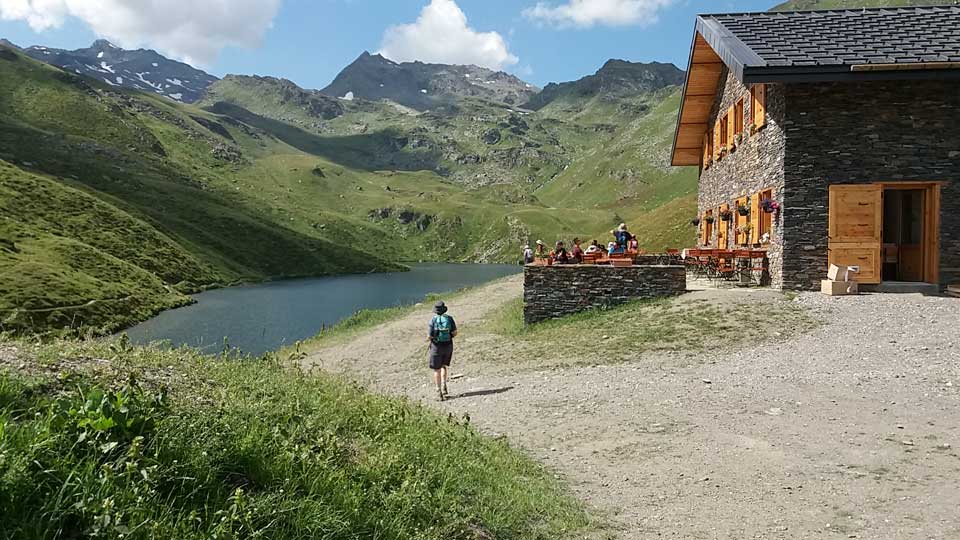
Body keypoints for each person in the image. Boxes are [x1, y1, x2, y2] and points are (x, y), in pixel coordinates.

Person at [428, 301, 458, 401]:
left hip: (436, 347)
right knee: (444, 366)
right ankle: (445, 386)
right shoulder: (449, 319)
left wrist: (431, 339)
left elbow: (430, 336)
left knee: (437, 369)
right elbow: (454, 333)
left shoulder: (433, 320)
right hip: (448, 345)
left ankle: (438, 392)